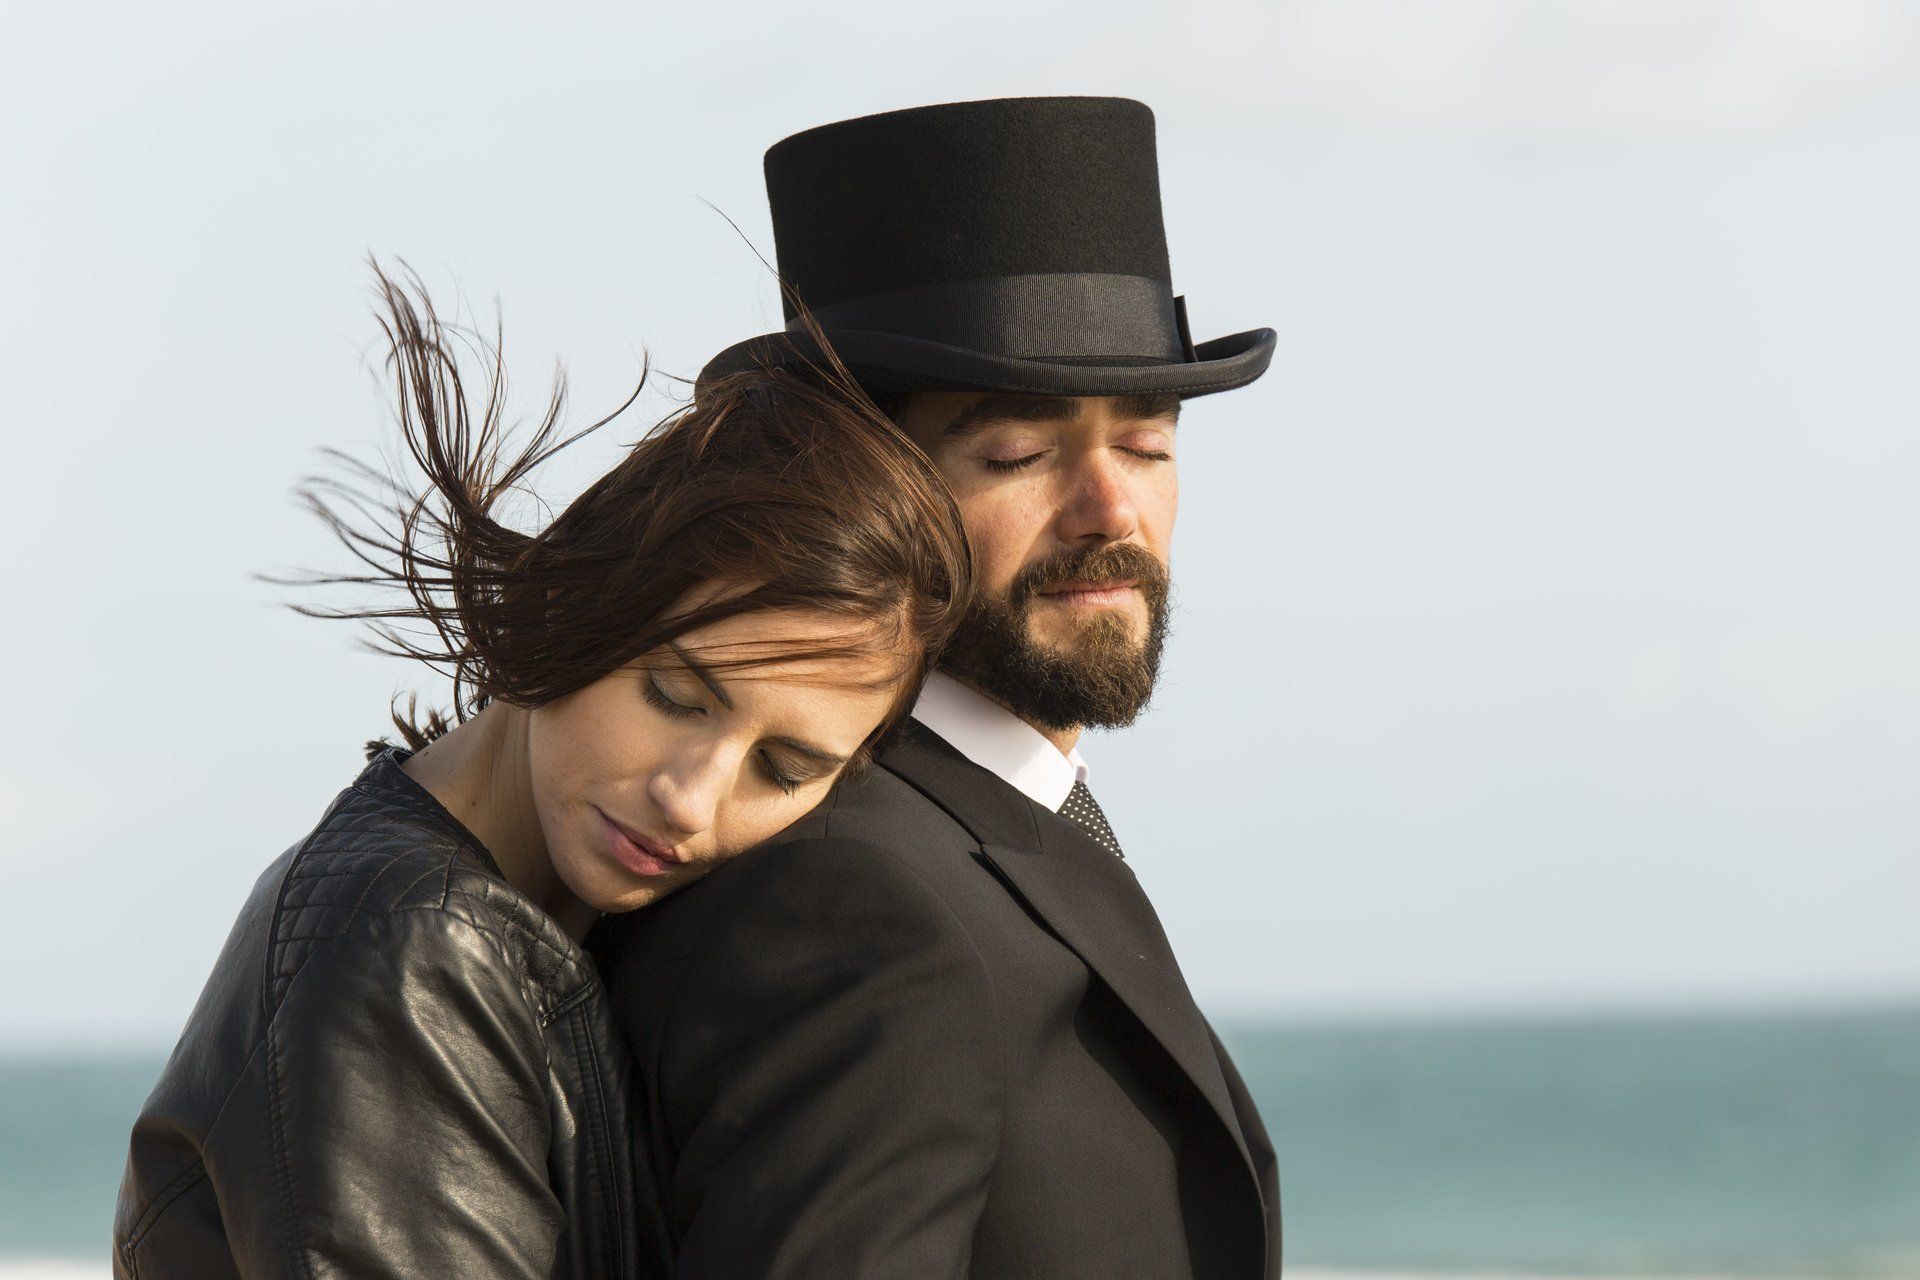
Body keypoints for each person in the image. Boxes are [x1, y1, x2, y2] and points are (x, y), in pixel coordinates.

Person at [111, 262, 971, 1280]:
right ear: (577, 596)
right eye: (675, 696)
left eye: (784, 768)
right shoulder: (414, 945)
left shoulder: (525, 918)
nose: (692, 799)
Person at [594, 96, 1283, 1278]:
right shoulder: (845, 893)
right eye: (1018, 453)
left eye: (1148, 444)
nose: (1112, 510)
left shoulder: (987, 828)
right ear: (862, 485)